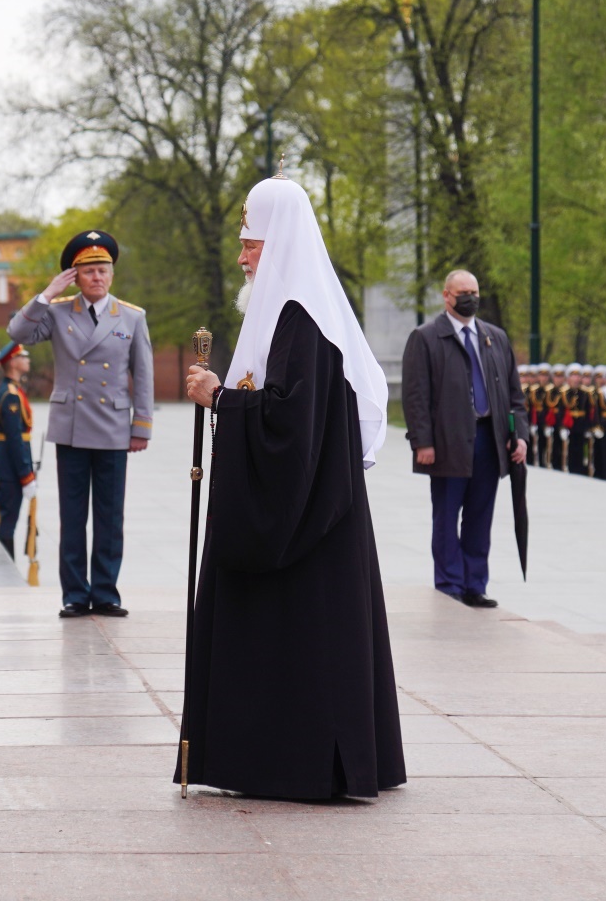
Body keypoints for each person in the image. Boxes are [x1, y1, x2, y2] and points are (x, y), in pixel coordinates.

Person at [180, 175, 405, 800]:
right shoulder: (287, 313)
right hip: (319, 515)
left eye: (250, 242)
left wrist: (220, 397)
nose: (242, 255)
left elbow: (291, 427)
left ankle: (297, 762)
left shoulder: (300, 319)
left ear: (277, 242)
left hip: (308, 523)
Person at [6, 230, 152, 619]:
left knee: (109, 516)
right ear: (76, 276)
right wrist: (47, 294)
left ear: (112, 274)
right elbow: (17, 333)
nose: (97, 278)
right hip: (71, 425)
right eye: (88, 272)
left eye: (103, 270)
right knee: (72, 517)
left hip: (113, 426)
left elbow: (144, 374)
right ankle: (74, 594)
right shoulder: (56, 312)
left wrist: (142, 428)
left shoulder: (132, 317)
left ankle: (105, 592)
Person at [400, 269, 527, 609]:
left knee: (479, 516)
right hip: (446, 442)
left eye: (474, 291)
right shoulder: (426, 337)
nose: (470, 297)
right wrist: (421, 442)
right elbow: (415, 396)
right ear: (446, 296)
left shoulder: (495, 337)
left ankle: (475, 584)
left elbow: (515, 396)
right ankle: (450, 584)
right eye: (463, 292)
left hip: (490, 440)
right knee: (446, 516)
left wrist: (521, 437)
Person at [0, 343, 35, 555]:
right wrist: (26, 473)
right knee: (8, 522)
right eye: (23, 357)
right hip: (10, 468)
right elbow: (14, 439)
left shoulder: (12, 390)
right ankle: (4, 569)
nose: (27, 360)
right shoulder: (10, 395)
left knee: (8, 520)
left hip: (7, 465)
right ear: (13, 363)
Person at [562, 364, 592, 475]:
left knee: (581, 449)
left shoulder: (585, 393)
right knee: (570, 450)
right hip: (570, 424)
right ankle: (570, 468)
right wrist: (562, 427)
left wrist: (589, 427)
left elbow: (589, 412)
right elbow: (562, 411)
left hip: (581, 424)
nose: (575, 379)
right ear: (569, 378)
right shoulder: (565, 392)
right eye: (573, 376)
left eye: (578, 376)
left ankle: (580, 469)